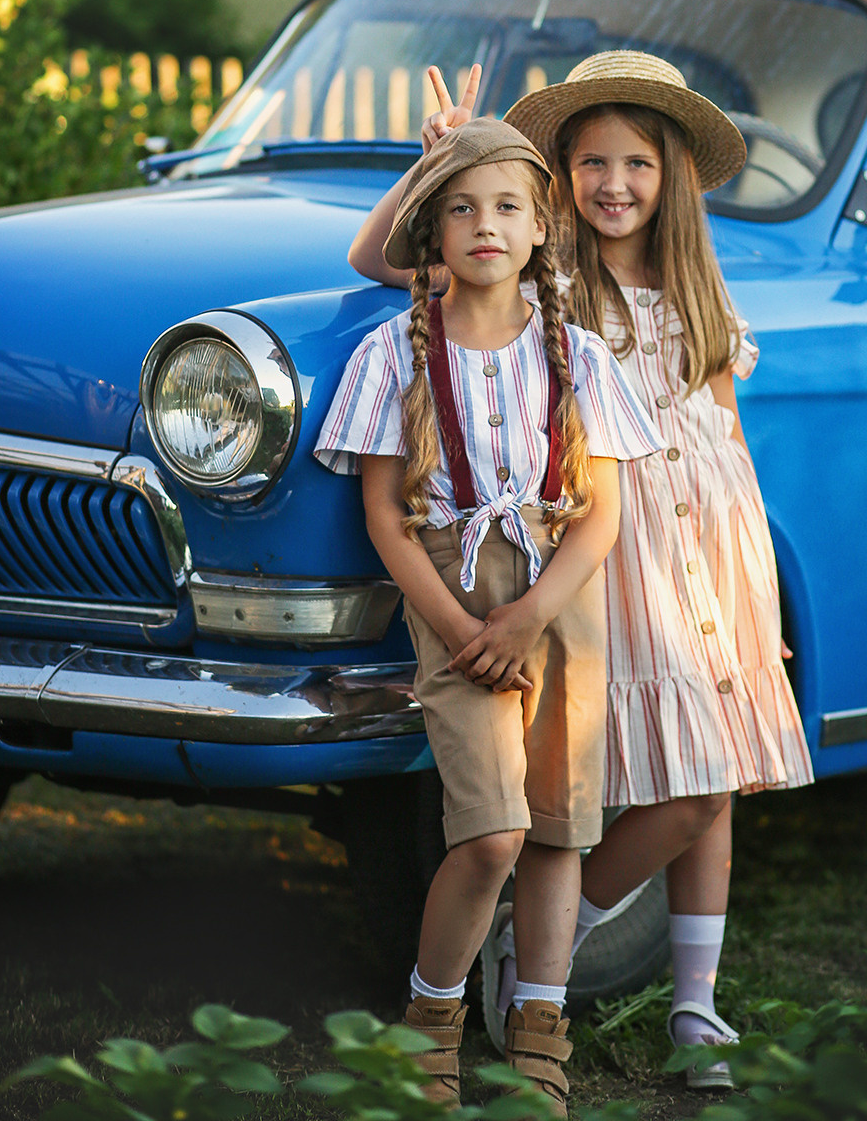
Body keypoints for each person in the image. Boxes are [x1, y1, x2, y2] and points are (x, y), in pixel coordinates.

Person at [348, 56, 814, 1091]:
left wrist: (760, 586)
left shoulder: (698, 281)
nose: (614, 183)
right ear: (559, 180)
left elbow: (727, 435)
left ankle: (696, 1005)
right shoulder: (550, 282)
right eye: (592, 162)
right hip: (615, 544)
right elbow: (381, 258)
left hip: (714, 543)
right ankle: (533, 946)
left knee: (721, 775)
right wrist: (438, 159)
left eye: (637, 163)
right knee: (680, 785)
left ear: (672, 174)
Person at [316, 116, 660, 1115]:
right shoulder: (396, 351)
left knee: (557, 830)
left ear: (542, 226)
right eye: (460, 210)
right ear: (433, 236)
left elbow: (602, 513)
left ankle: (538, 1035)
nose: (484, 226)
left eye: (506, 206)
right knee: (491, 836)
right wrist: (467, 632)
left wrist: (532, 618)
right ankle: (430, 1019)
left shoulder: (580, 355)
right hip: (452, 596)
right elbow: (384, 514)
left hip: (561, 599)